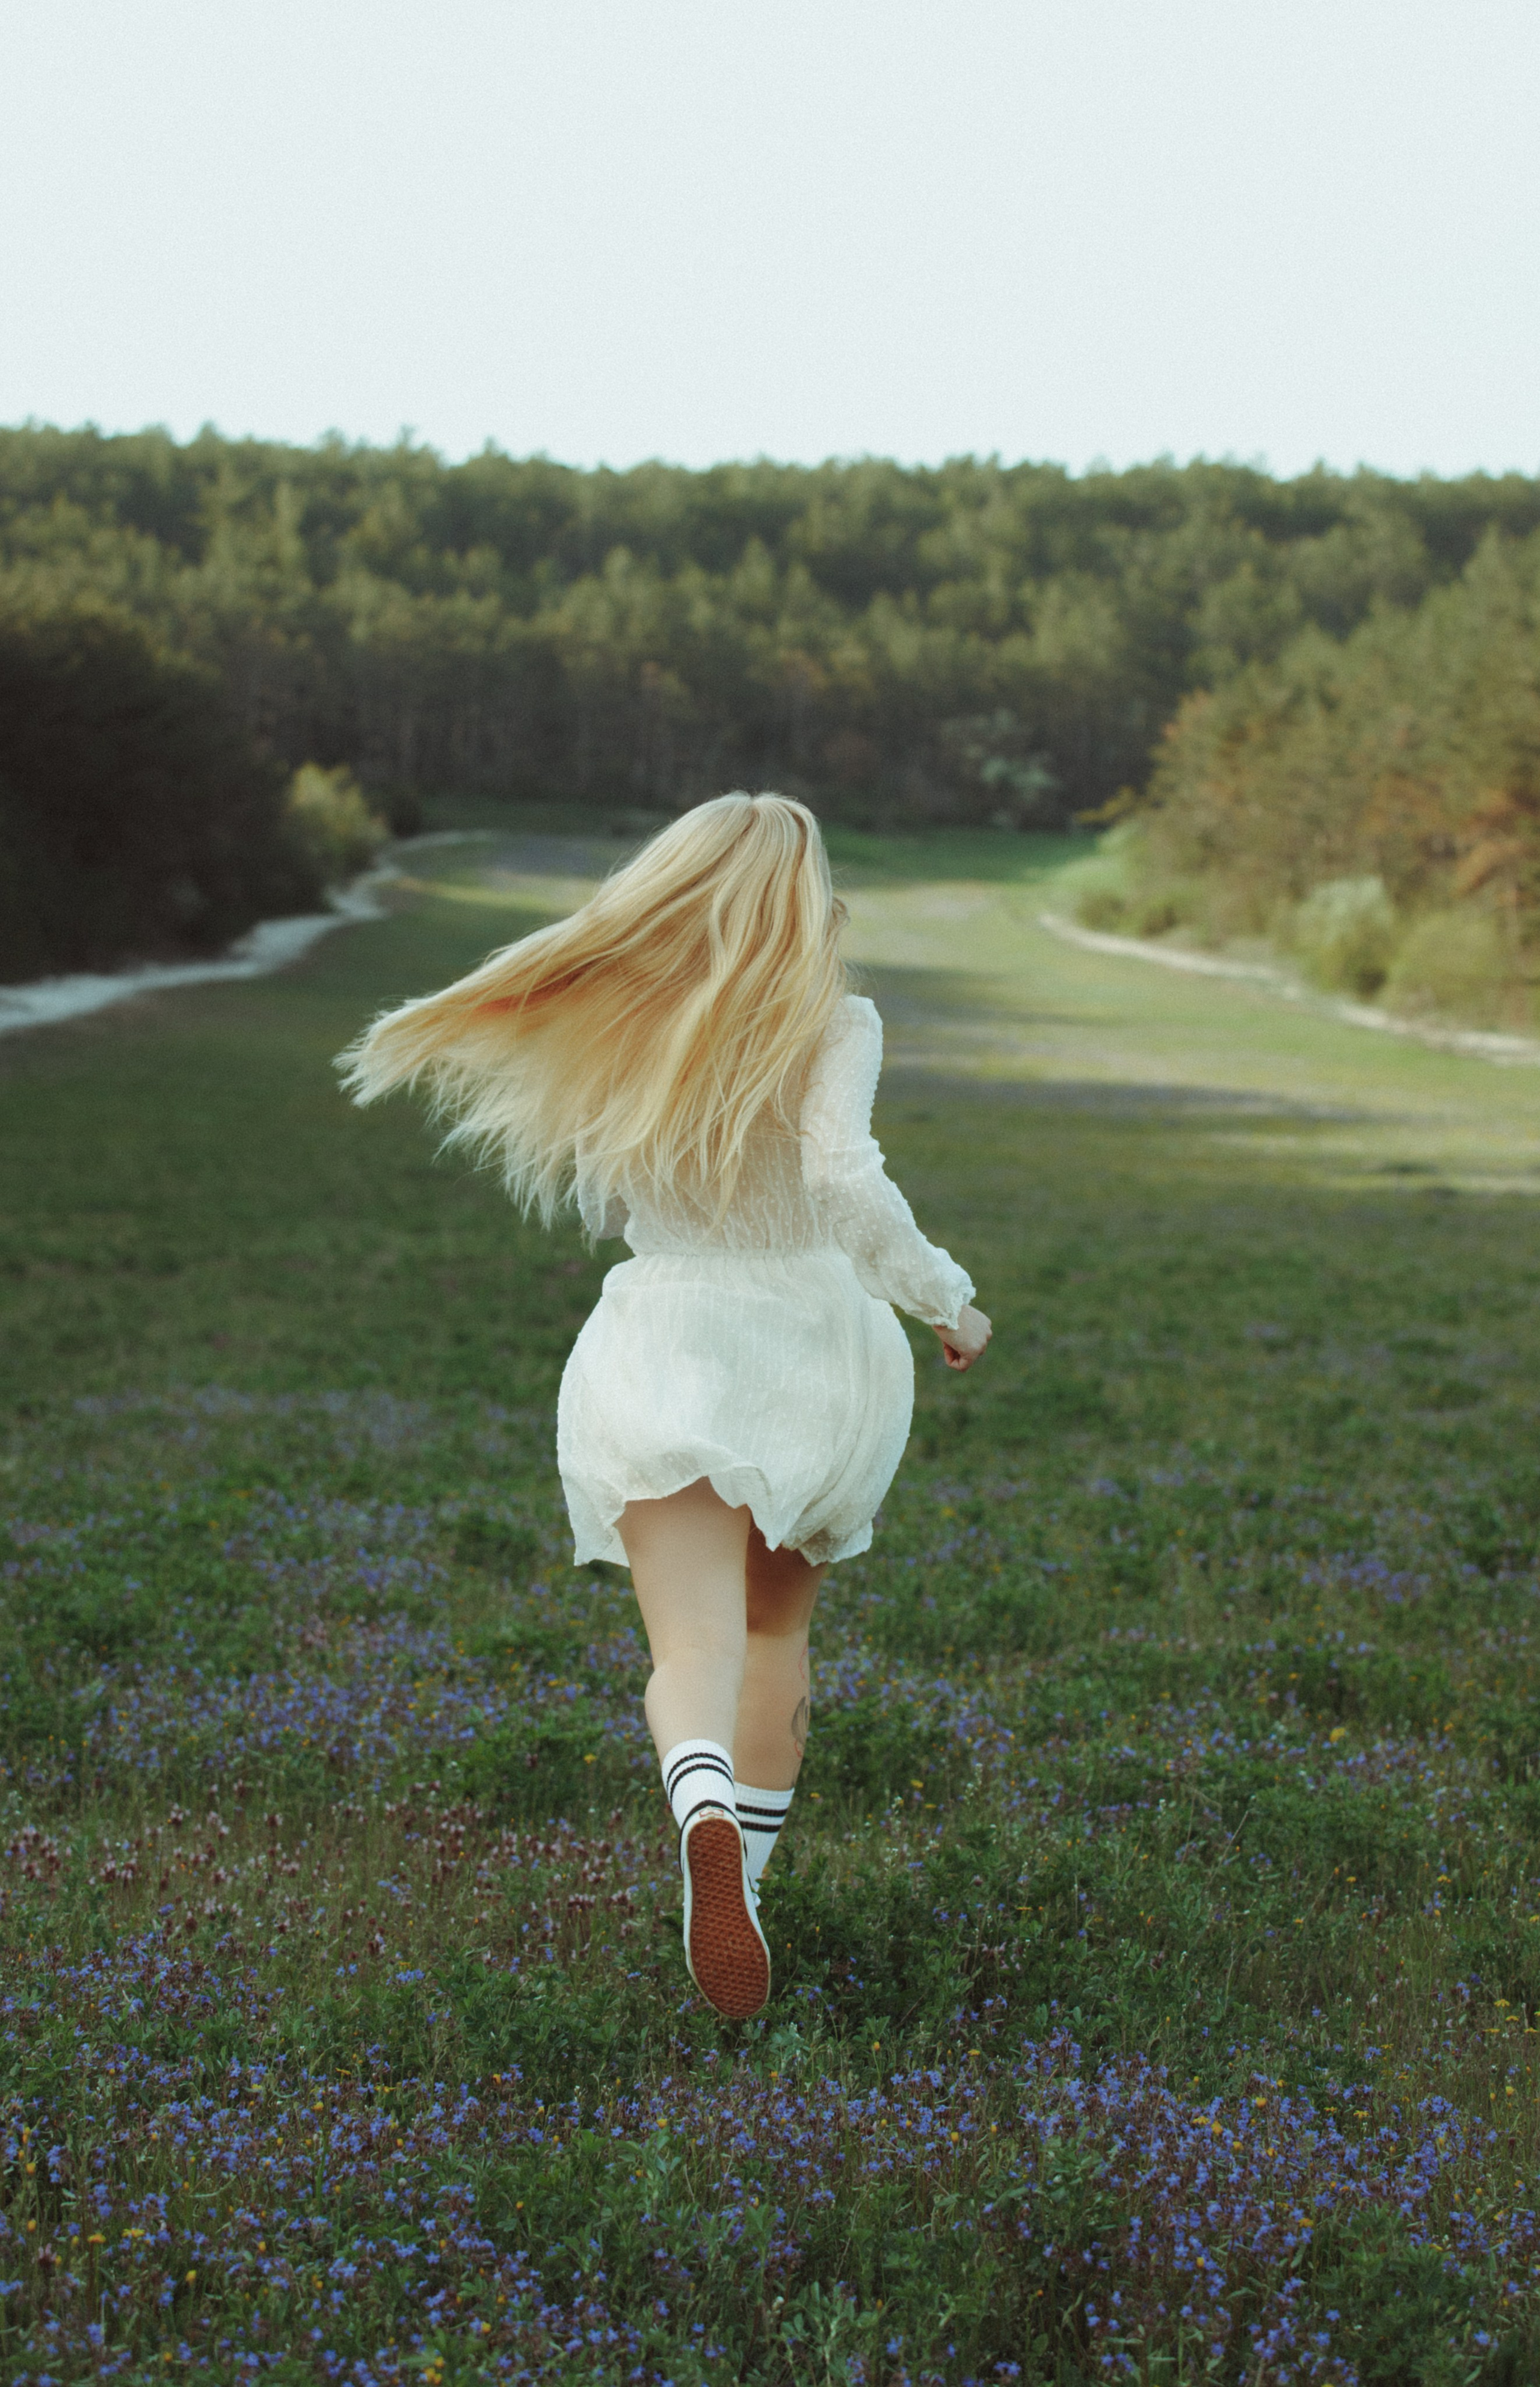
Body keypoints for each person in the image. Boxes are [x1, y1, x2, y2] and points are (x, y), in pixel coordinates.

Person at [338, 794, 990, 2020]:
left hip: (665, 1339)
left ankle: (695, 1797)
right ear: (802, 898)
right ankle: (736, 1871)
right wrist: (947, 1300)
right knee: (775, 1637)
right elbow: (845, 1178)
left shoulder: (624, 1022)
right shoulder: (833, 1021)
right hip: (813, 1349)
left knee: (688, 1647)